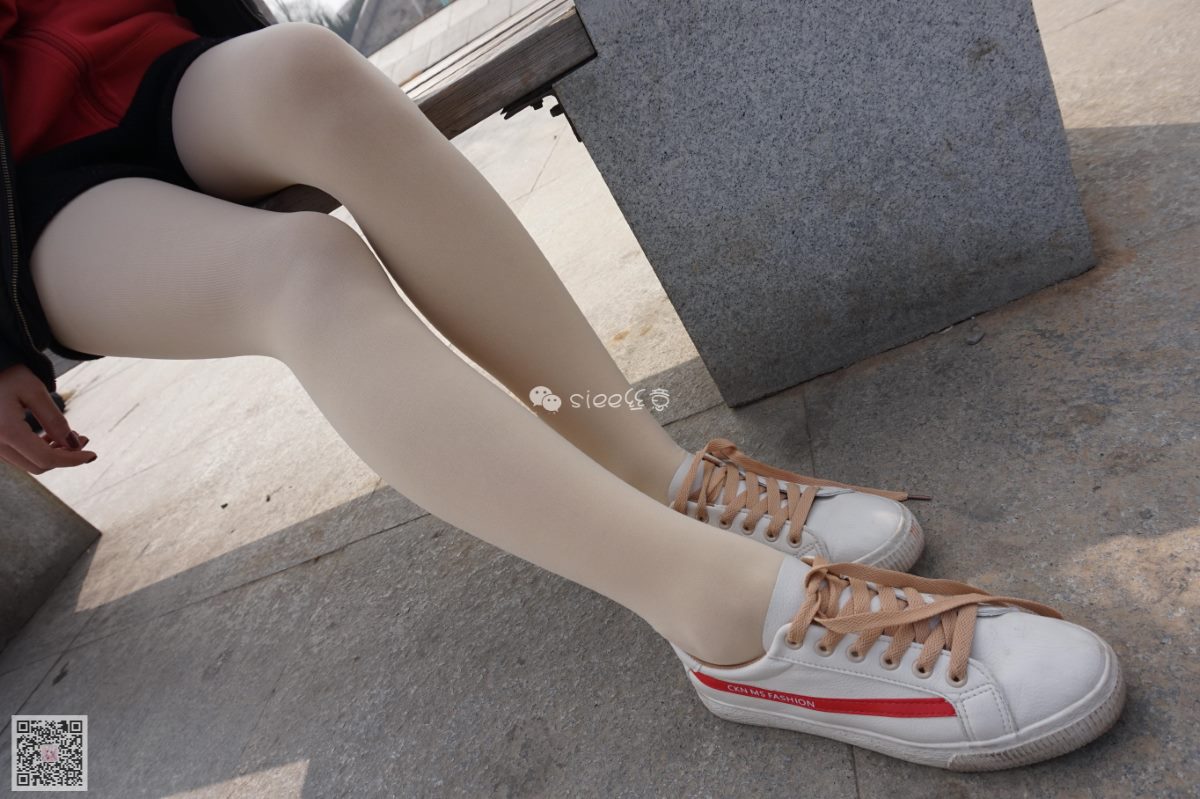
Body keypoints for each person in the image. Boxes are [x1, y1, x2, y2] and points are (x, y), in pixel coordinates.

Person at [0, 0, 1123, 771]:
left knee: (309, 66)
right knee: (301, 268)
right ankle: (728, 620)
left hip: (144, 55)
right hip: (29, 195)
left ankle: (658, 475)